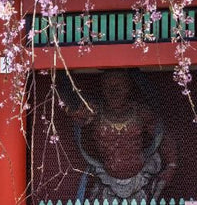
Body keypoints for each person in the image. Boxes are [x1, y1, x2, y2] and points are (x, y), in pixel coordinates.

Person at [67, 71, 176, 201]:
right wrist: (74, 108)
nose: (114, 91)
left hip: (141, 179)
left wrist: (171, 165)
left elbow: (162, 136)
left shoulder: (141, 113)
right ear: (102, 88)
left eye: (120, 86)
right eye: (108, 86)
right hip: (106, 179)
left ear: (129, 87)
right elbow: (71, 111)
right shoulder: (94, 113)